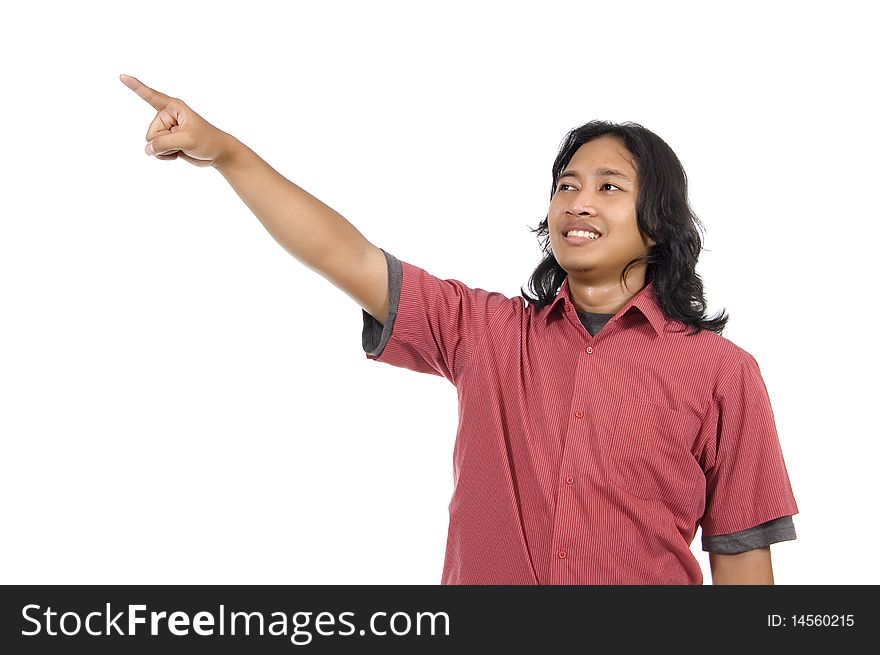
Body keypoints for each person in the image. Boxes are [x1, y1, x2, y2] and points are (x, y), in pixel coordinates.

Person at [121, 74, 798, 585]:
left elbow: (741, 556)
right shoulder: (488, 332)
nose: (578, 200)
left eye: (608, 186)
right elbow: (346, 255)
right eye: (565, 184)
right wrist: (227, 154)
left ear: (657, 221)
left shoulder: (722, 373)